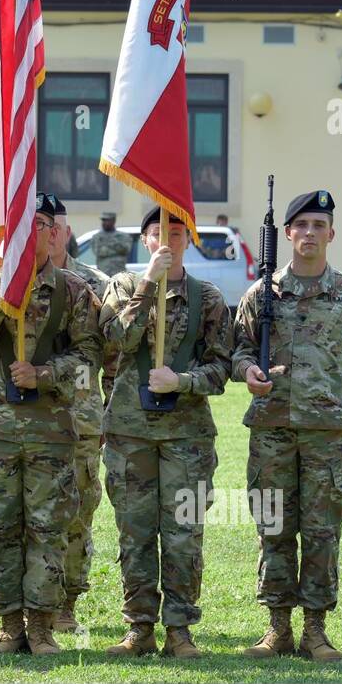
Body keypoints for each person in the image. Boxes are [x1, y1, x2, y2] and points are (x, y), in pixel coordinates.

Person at [232, 190, 342, 662]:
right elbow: (238, 349)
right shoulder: (263, 293)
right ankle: (277, 629)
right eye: (302, 226)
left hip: (328, 433)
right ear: (289, 234)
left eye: (320, 225)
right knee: (273, 526)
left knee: (322, 529)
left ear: (331, 234)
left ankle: (315, 632)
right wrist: (247, 372)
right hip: (272, 429)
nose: (311, 233)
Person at [0, 193, 101, 655]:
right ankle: (8, 625)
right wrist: (3, 285)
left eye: (38, 224)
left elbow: (89, 356)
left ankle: (41, 626)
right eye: (18, 225)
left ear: (52, 233)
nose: (29, 233)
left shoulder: (74, 291)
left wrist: (44, 374)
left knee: (49, 527)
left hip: (51, 431)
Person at [99, 206, 231, 657]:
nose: (168, 242)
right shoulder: (122, 287)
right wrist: (148, 284)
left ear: (188, 241)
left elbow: (222, 369)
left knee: (183, 533)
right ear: (145, 241)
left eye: (177, 234)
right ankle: (139, 627)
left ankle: (179, 630)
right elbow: (115, 340)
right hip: (129, 434)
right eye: (159, 233)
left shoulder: (208, 298)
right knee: (134, 532)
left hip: (187, 437)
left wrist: (183, 382)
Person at [46, 194, 111, 633]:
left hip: (82, 420)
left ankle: (67, 602)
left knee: (77, 513)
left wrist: (109, 413)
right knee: (28, 514)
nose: (49, 235)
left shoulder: (96, 283)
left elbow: (115, 354)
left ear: (67, 232)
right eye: (39, 225)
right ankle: (29, 601)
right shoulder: (11, 281)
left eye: (56, 226)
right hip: (27, 417)